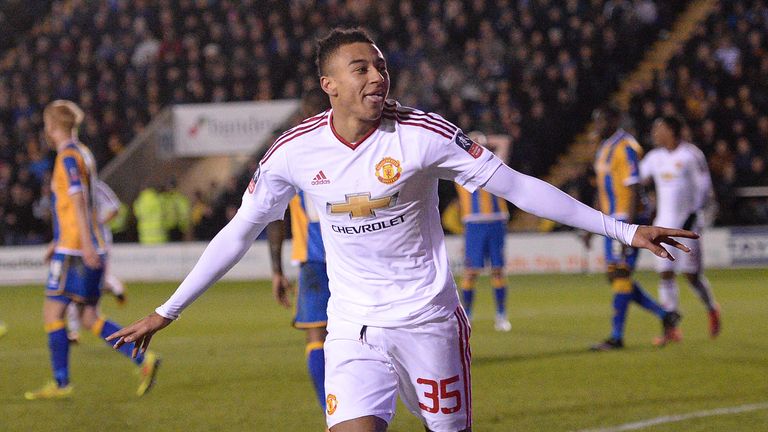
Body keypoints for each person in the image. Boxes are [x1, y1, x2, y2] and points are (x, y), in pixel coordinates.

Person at [108, 28, 696, 432]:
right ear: (330, 85)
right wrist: (169, 310)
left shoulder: (422, 133)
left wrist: (623, 228)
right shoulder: (293, 152)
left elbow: (515, 185)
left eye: (382, 66)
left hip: (428, 321)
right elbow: (238, 232)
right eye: (360, 68)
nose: (377, 77)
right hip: (353, 330)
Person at [25, 100, 160, 400]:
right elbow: (80, 204)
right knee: (87, 318)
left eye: (47, 123)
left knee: (52, 311)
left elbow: (77, 203)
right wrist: (59, 241)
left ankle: (61, 384)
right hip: (78, 245)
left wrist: (82, 244)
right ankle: (143, 359)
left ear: (53, 125)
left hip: (75, 251)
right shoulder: (83, 153)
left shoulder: (67, 158)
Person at [586, 106, 681, 351]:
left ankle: (616, 337)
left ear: (615, 119)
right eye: (596, 120)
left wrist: (627, 227)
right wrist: (590, 224)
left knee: (621, 275)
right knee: (616, 276)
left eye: (602, 119)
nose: (598, 124)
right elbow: (601, 190)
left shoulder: (627, 146)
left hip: (623, 221)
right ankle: (665, 314)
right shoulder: (604, 148)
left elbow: (633, 186)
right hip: (609, 221)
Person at [267, 87, 332, 412]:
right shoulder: (350, 146)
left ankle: (331, 416)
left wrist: (277, 270)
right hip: (355, 260)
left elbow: (274, 217)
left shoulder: (293, 152)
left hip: (313, 262)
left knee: (316, 339)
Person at [640, 116, 721, 344]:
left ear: (672, 131)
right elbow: (636, 178)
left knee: (691, 276)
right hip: (662, 225)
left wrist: (696, 213)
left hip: (688, 225)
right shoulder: (654, 157)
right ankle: (670, 327)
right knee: (665, 273)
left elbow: (705, 186)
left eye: (659, 129)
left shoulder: (691, 154)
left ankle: (711, 308)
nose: (655, 133)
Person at [454, 132, 512, 331]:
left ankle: (501, 314)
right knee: (470, 272)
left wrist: (483, 140)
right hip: (474, 223)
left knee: (497, 270)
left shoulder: (495, 164)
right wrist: (466, 142)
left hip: (496, 221)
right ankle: (467, 315)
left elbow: (504, 141)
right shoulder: (458, 166)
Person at [66, 178, 128, 343]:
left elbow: (115, 208)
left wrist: (96, 224)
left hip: (98, 246)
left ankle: (115, 290)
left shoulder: (97, 187)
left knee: (91, 288)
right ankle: (74, 331)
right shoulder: (70, 188)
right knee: (74, 287)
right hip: (76, 244)